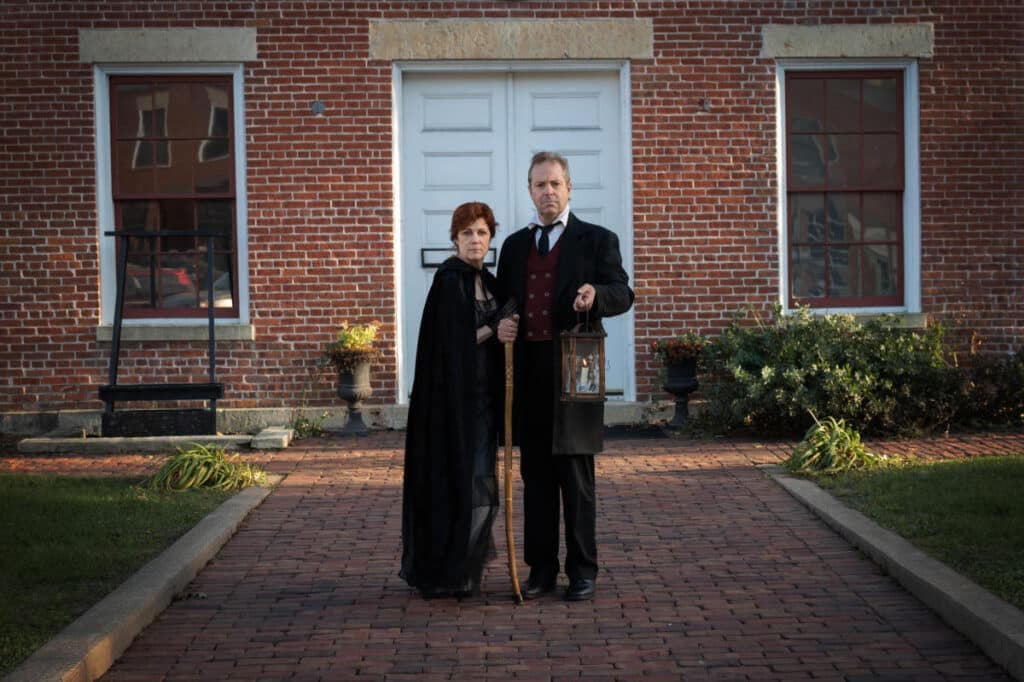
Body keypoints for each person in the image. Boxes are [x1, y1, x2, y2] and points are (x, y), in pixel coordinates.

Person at [496, 151, 634, 601]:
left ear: (569, 188)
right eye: (539, 184)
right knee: (535, 478)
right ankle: (540, 571)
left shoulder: (597, 240)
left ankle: (582, 570)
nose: (548, 192)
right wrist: (504, 322)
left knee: (576, 477)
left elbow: (623, 292)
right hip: (528, 375)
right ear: (530, 190)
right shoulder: (515, 246)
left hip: (576, 372)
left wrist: (596, 296)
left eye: (555, 184)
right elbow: (504, 302)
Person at [400, 201, 515, 599]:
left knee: (482, 480)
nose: (475, 240)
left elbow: (506, 320)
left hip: (483, 401)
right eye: (467, 233)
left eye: (482, 232)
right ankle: (451, 570)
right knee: (456, 479)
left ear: (490, 238)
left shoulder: (490, 281)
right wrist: (493, 329)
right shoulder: (449, 280)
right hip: (450, 404)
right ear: (454, 239)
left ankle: (468, 563)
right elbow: (451, 341)